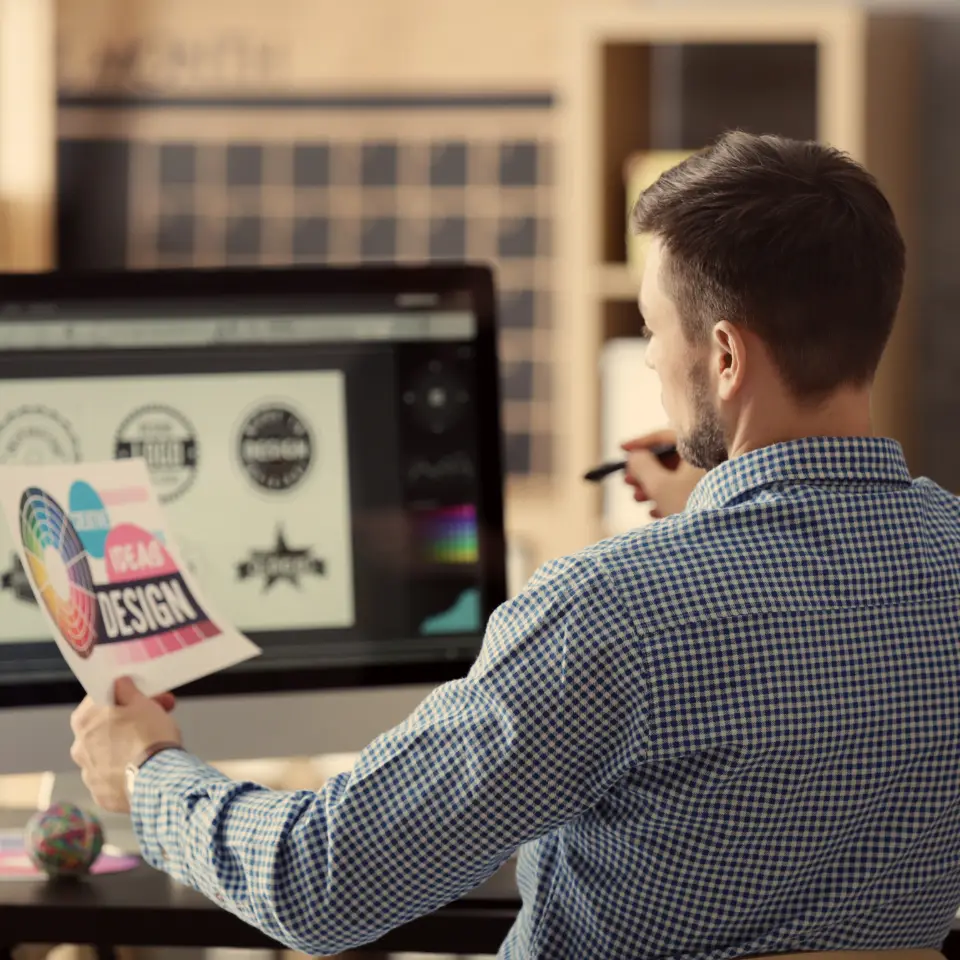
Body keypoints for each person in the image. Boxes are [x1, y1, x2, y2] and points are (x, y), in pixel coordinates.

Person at [70, 131, 960, 960]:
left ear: (725, 357)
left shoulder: (608, 612)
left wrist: (147, 774)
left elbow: (322, 883)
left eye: (652, 330)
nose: (650, 362)